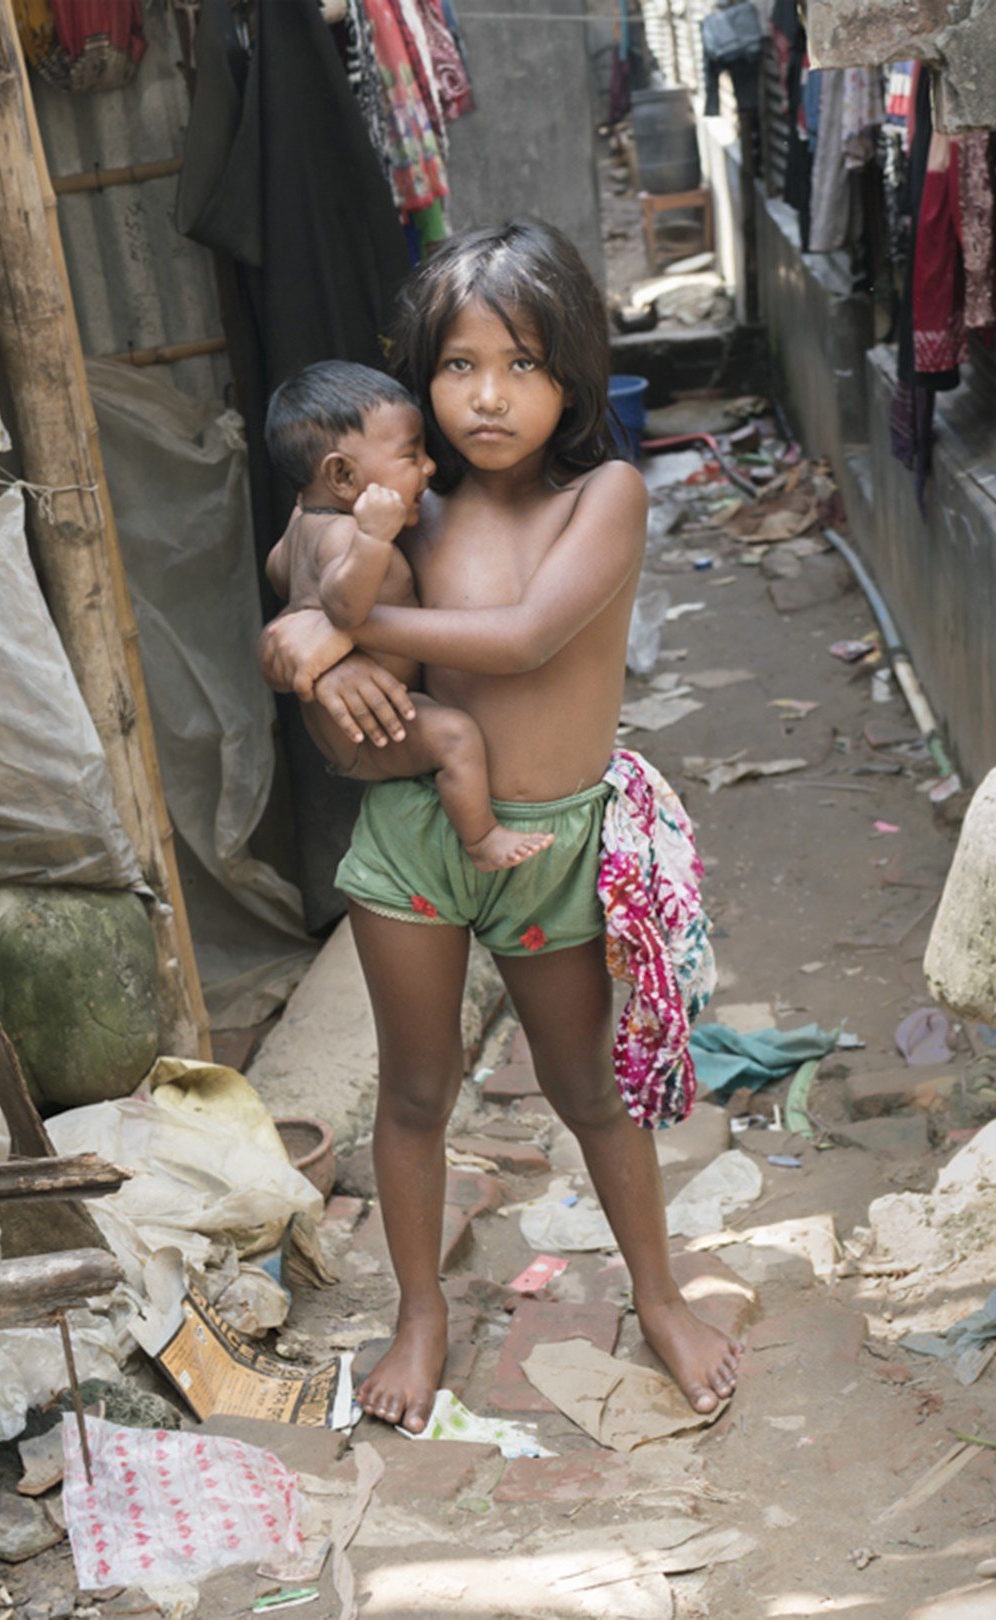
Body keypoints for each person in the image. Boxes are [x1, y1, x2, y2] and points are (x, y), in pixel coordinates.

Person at [258, 220, 741, 1434]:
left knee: (589, 1089)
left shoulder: (606, 496)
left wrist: (346, 635)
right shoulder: (403, 502)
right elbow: (294, 551)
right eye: (461, 365)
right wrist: (301, 634)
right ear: (421, 377)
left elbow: (526, 637)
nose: (489, 396)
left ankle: (660, 1296)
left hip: (557, 842)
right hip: (416, 836)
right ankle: (421, 1315)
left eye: (523, 365)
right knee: (415, 1093)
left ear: (573, 372)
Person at [262, 361, 556, 872]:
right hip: (376, 722)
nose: (429, 467)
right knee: (456, 737)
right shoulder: (346, 538)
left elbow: (277, 574)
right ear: (342, 475)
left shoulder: (302, 528)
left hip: (342, 723)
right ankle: (481, 841)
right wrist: (373, 540)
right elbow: (345, 610)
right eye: (410, 454)